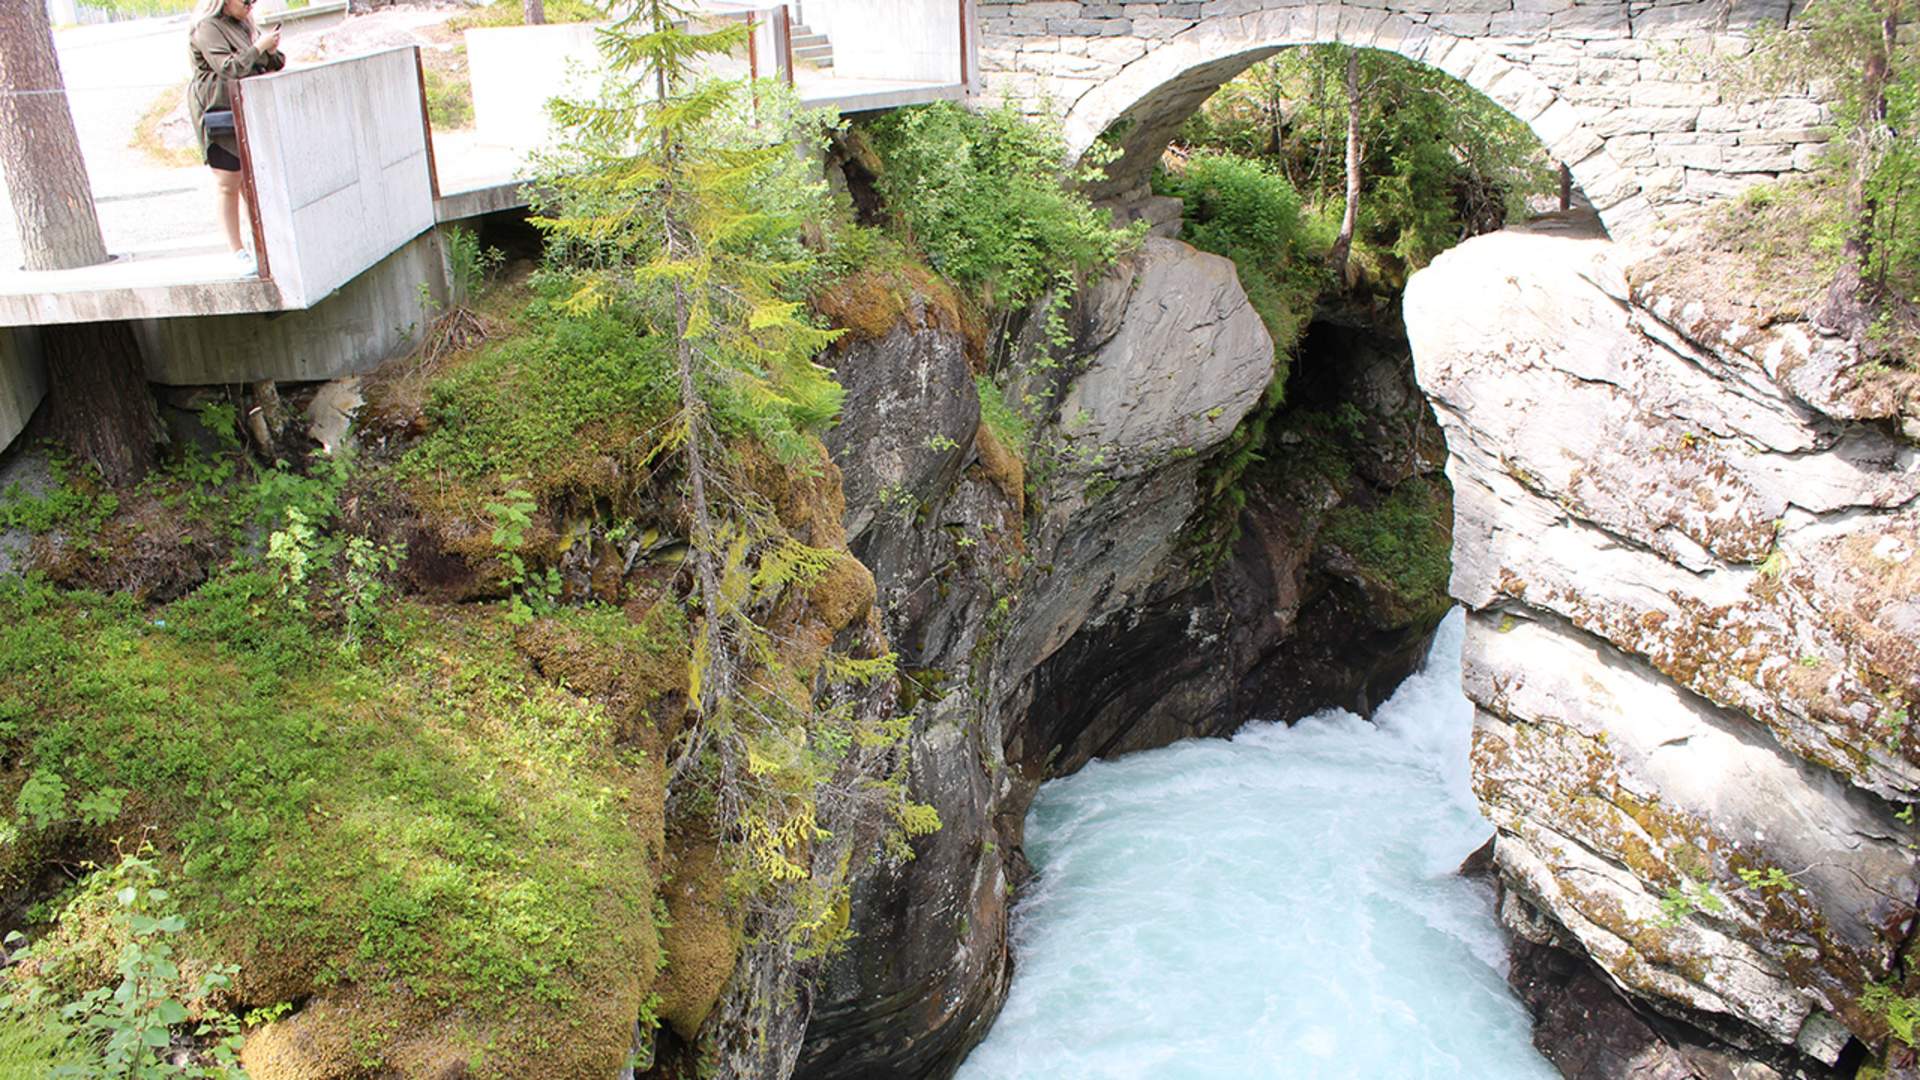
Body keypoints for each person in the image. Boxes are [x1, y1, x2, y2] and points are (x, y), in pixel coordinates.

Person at [187, 0, 284, 269]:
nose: (250, 4)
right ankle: (237, 251)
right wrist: (258, 48)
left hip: (245, 112)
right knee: (228, 182)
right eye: (245, 0)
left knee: (250, 183)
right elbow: (229, 68)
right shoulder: (206, 28)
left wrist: (269, 51)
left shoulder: (241, 25)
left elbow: (269, 64)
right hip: (219, 114)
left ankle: (260, 245)